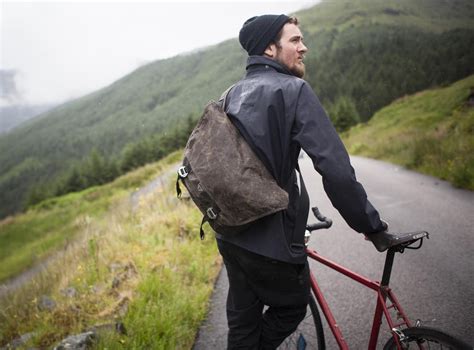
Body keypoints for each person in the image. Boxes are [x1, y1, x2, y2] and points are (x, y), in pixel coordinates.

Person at [215, 14, 392, 349]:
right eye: (295, 40)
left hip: (230, 236)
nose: (304, 47)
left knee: (242, 324)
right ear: (269, 48)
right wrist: (370, 226)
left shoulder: (229, 95)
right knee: (292, 306)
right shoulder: (292, 90)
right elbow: (336, 170)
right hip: (273, 242)